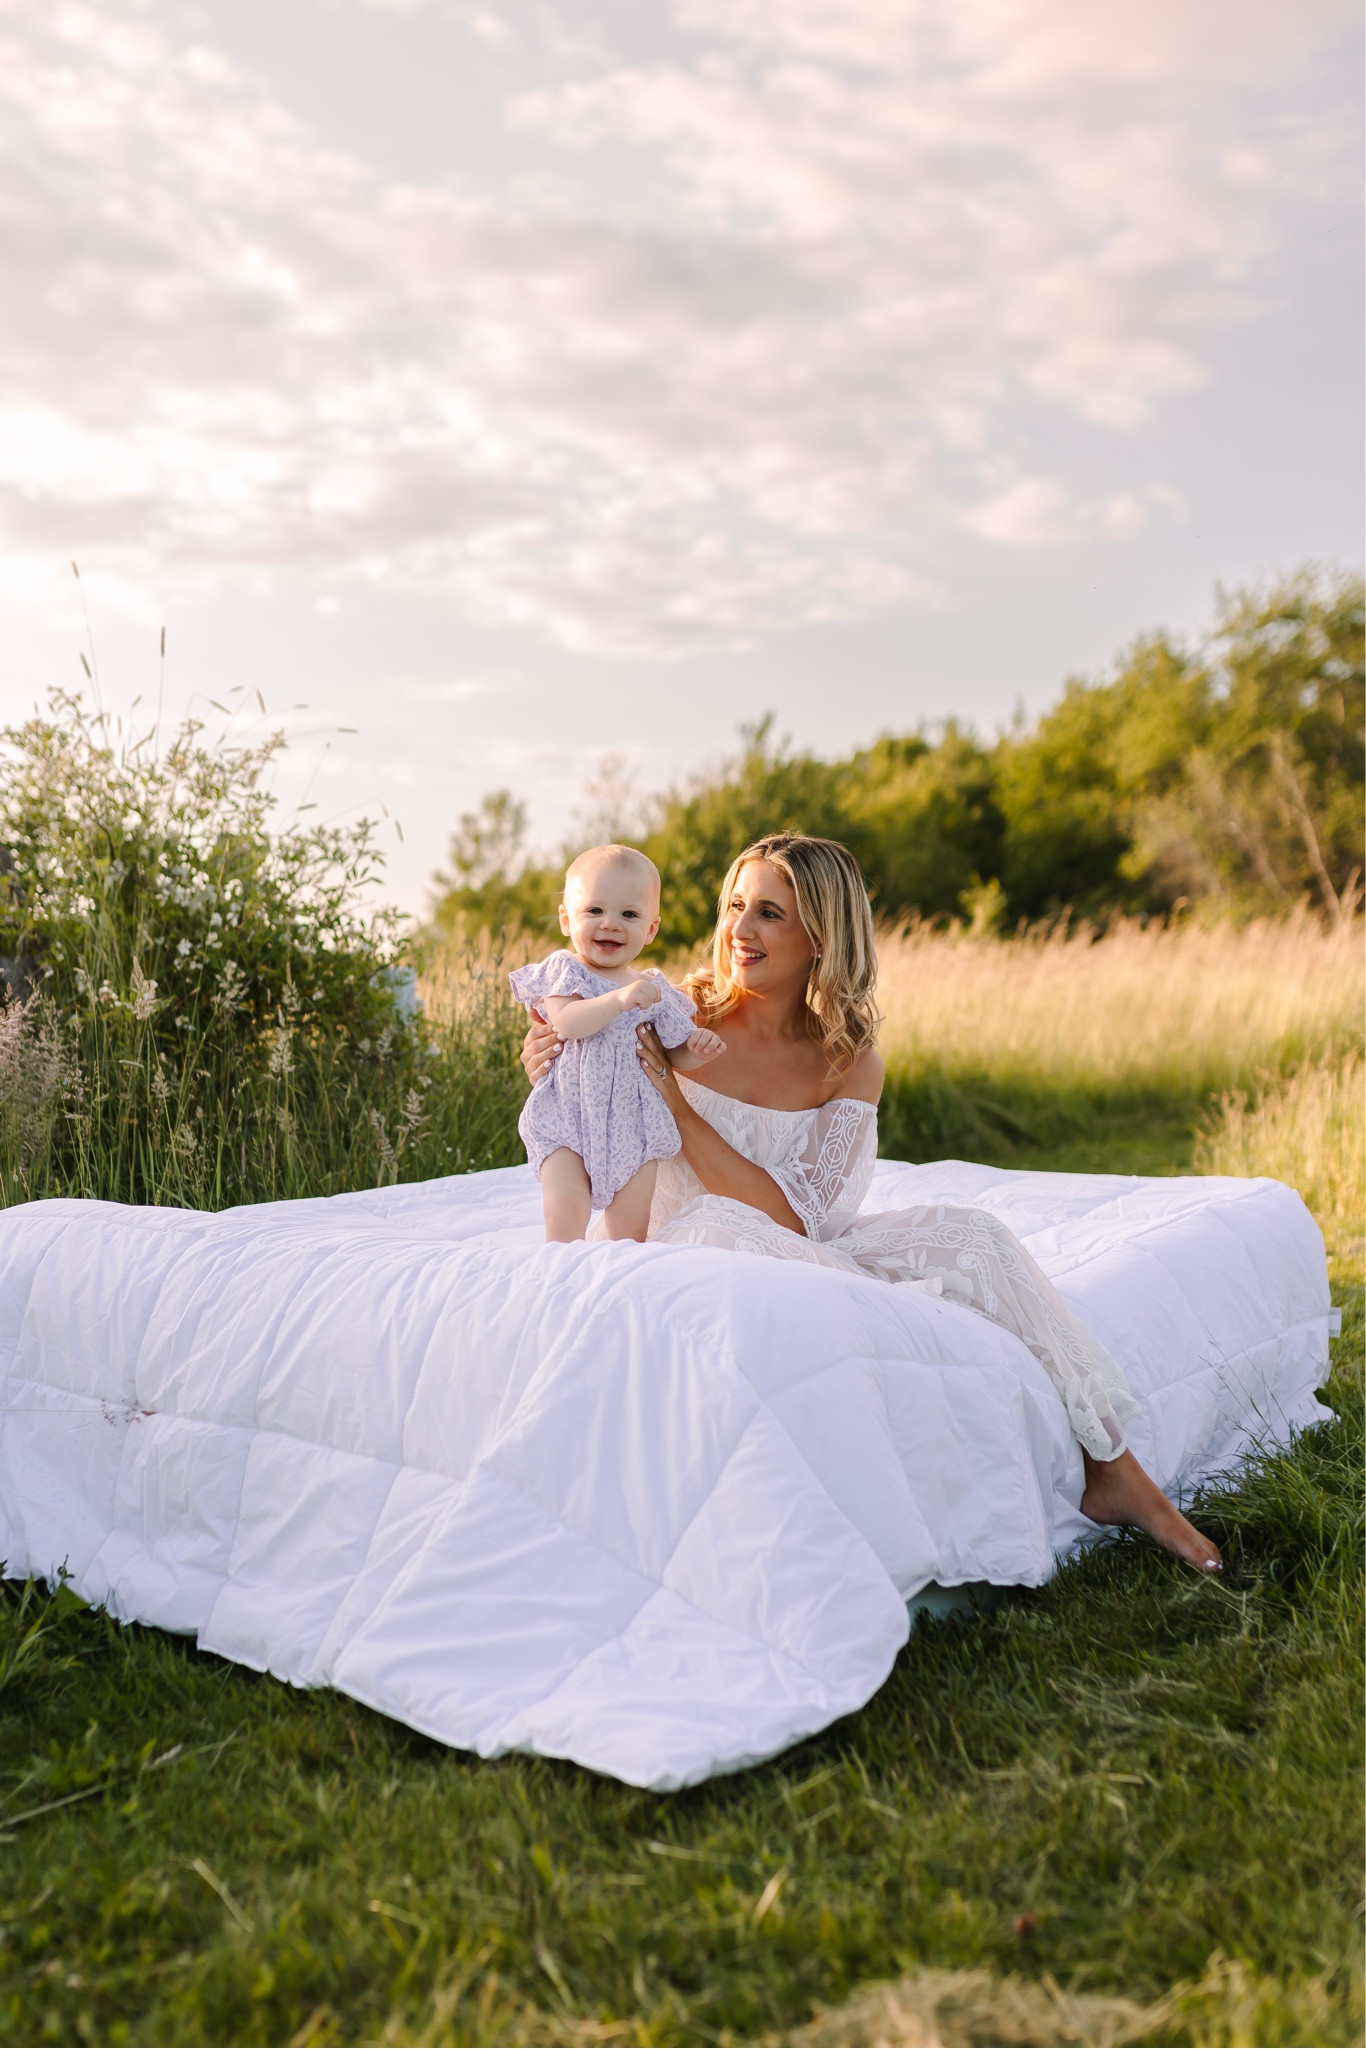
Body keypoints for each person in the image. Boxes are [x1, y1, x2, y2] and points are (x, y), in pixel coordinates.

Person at [521, 832, 1222, 1572]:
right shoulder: (672, 1009)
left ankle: (1116, 1468)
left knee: (973, 1238)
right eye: (736, 906)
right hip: (685, 1239)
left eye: (770, 914)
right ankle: (906, 1354)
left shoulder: (847, 1059)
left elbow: (804, 1219)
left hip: (806, 1240)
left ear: (822, 936)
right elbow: (572, 1055)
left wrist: (677, 1104)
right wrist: (540, 1053)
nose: (740, 930)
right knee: (724, 1224)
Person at [509, 843, 725, 1243]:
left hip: (633, 1122)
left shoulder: (652, 987)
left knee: (630, 1225)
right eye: (594, 910)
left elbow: (671, 1053)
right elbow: (569, 1023)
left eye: (629, 914)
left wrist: (696, 1048)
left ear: (651, 928)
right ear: (566, 919)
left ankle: (621, 1273)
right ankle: (561, 1270)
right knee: (566, 1208)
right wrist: (618, 1000)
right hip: (568, 1116)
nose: (610, 923)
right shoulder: (566, 970)